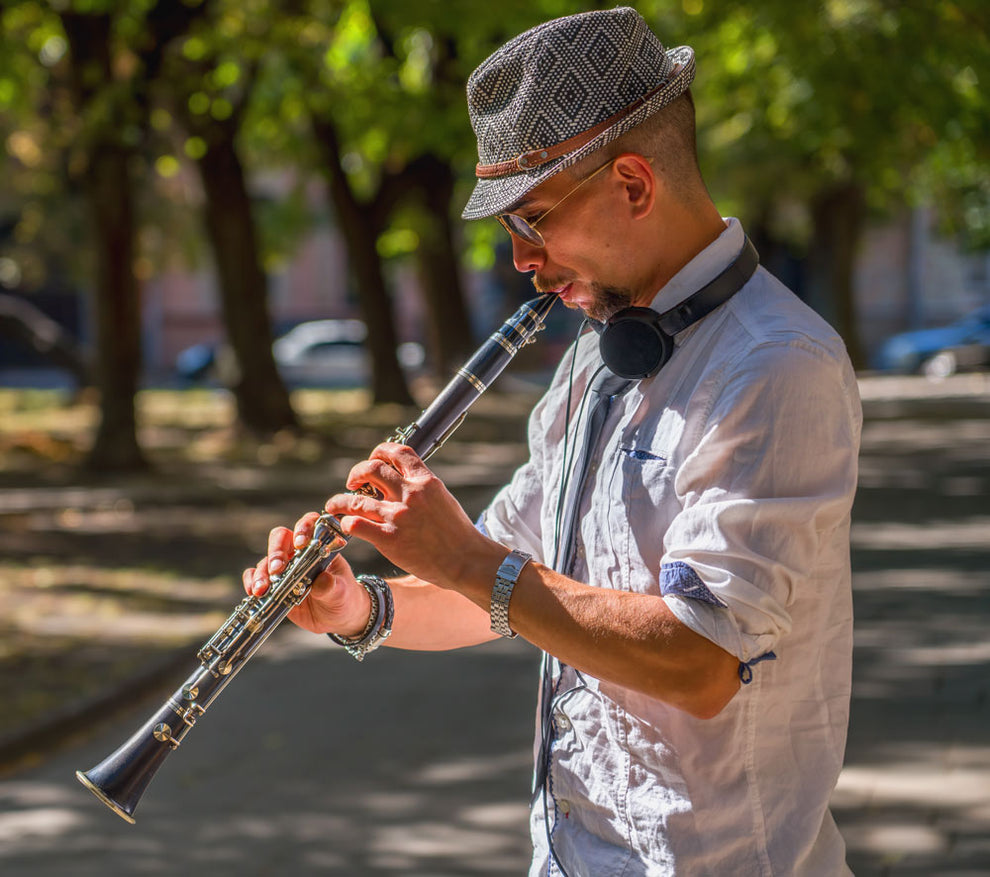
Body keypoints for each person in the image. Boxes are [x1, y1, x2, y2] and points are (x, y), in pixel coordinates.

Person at [245, 8, 862, 875]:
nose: (521, 260)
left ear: (634, 185)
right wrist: (360, 608)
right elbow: (509, 588)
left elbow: (701, 659)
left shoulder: (775, 366)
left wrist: (465, 557)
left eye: (533, 219)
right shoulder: (594, 358)